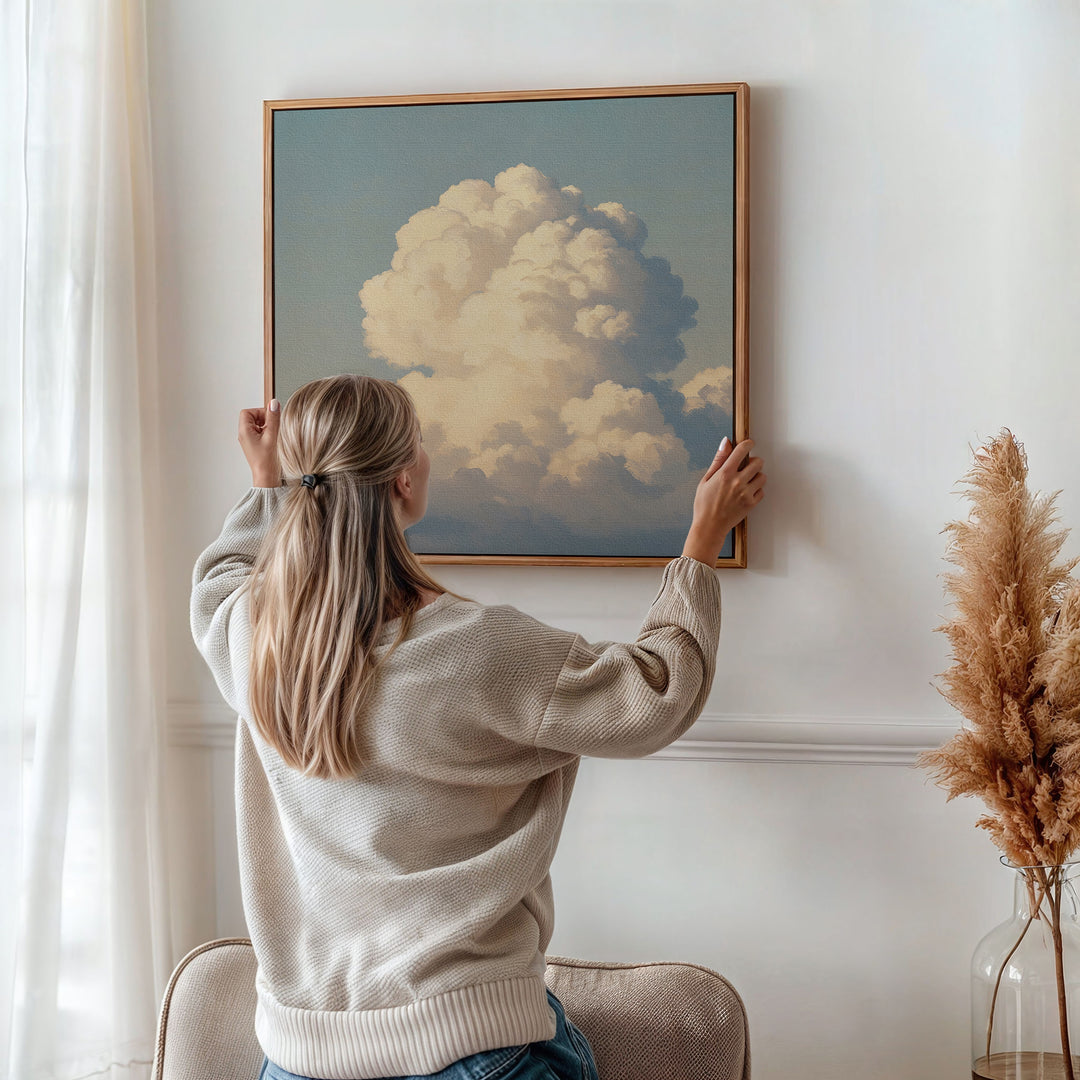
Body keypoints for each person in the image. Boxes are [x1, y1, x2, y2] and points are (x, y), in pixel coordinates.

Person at [190, 373, 766, 1080]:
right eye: (423, 442)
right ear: (403, 481)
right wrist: (701, 540)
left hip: (297, 1061)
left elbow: (218, 579)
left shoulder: (254, 639)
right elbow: (655, 692)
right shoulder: (478, 649)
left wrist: (266, 485)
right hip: (469, 1051)